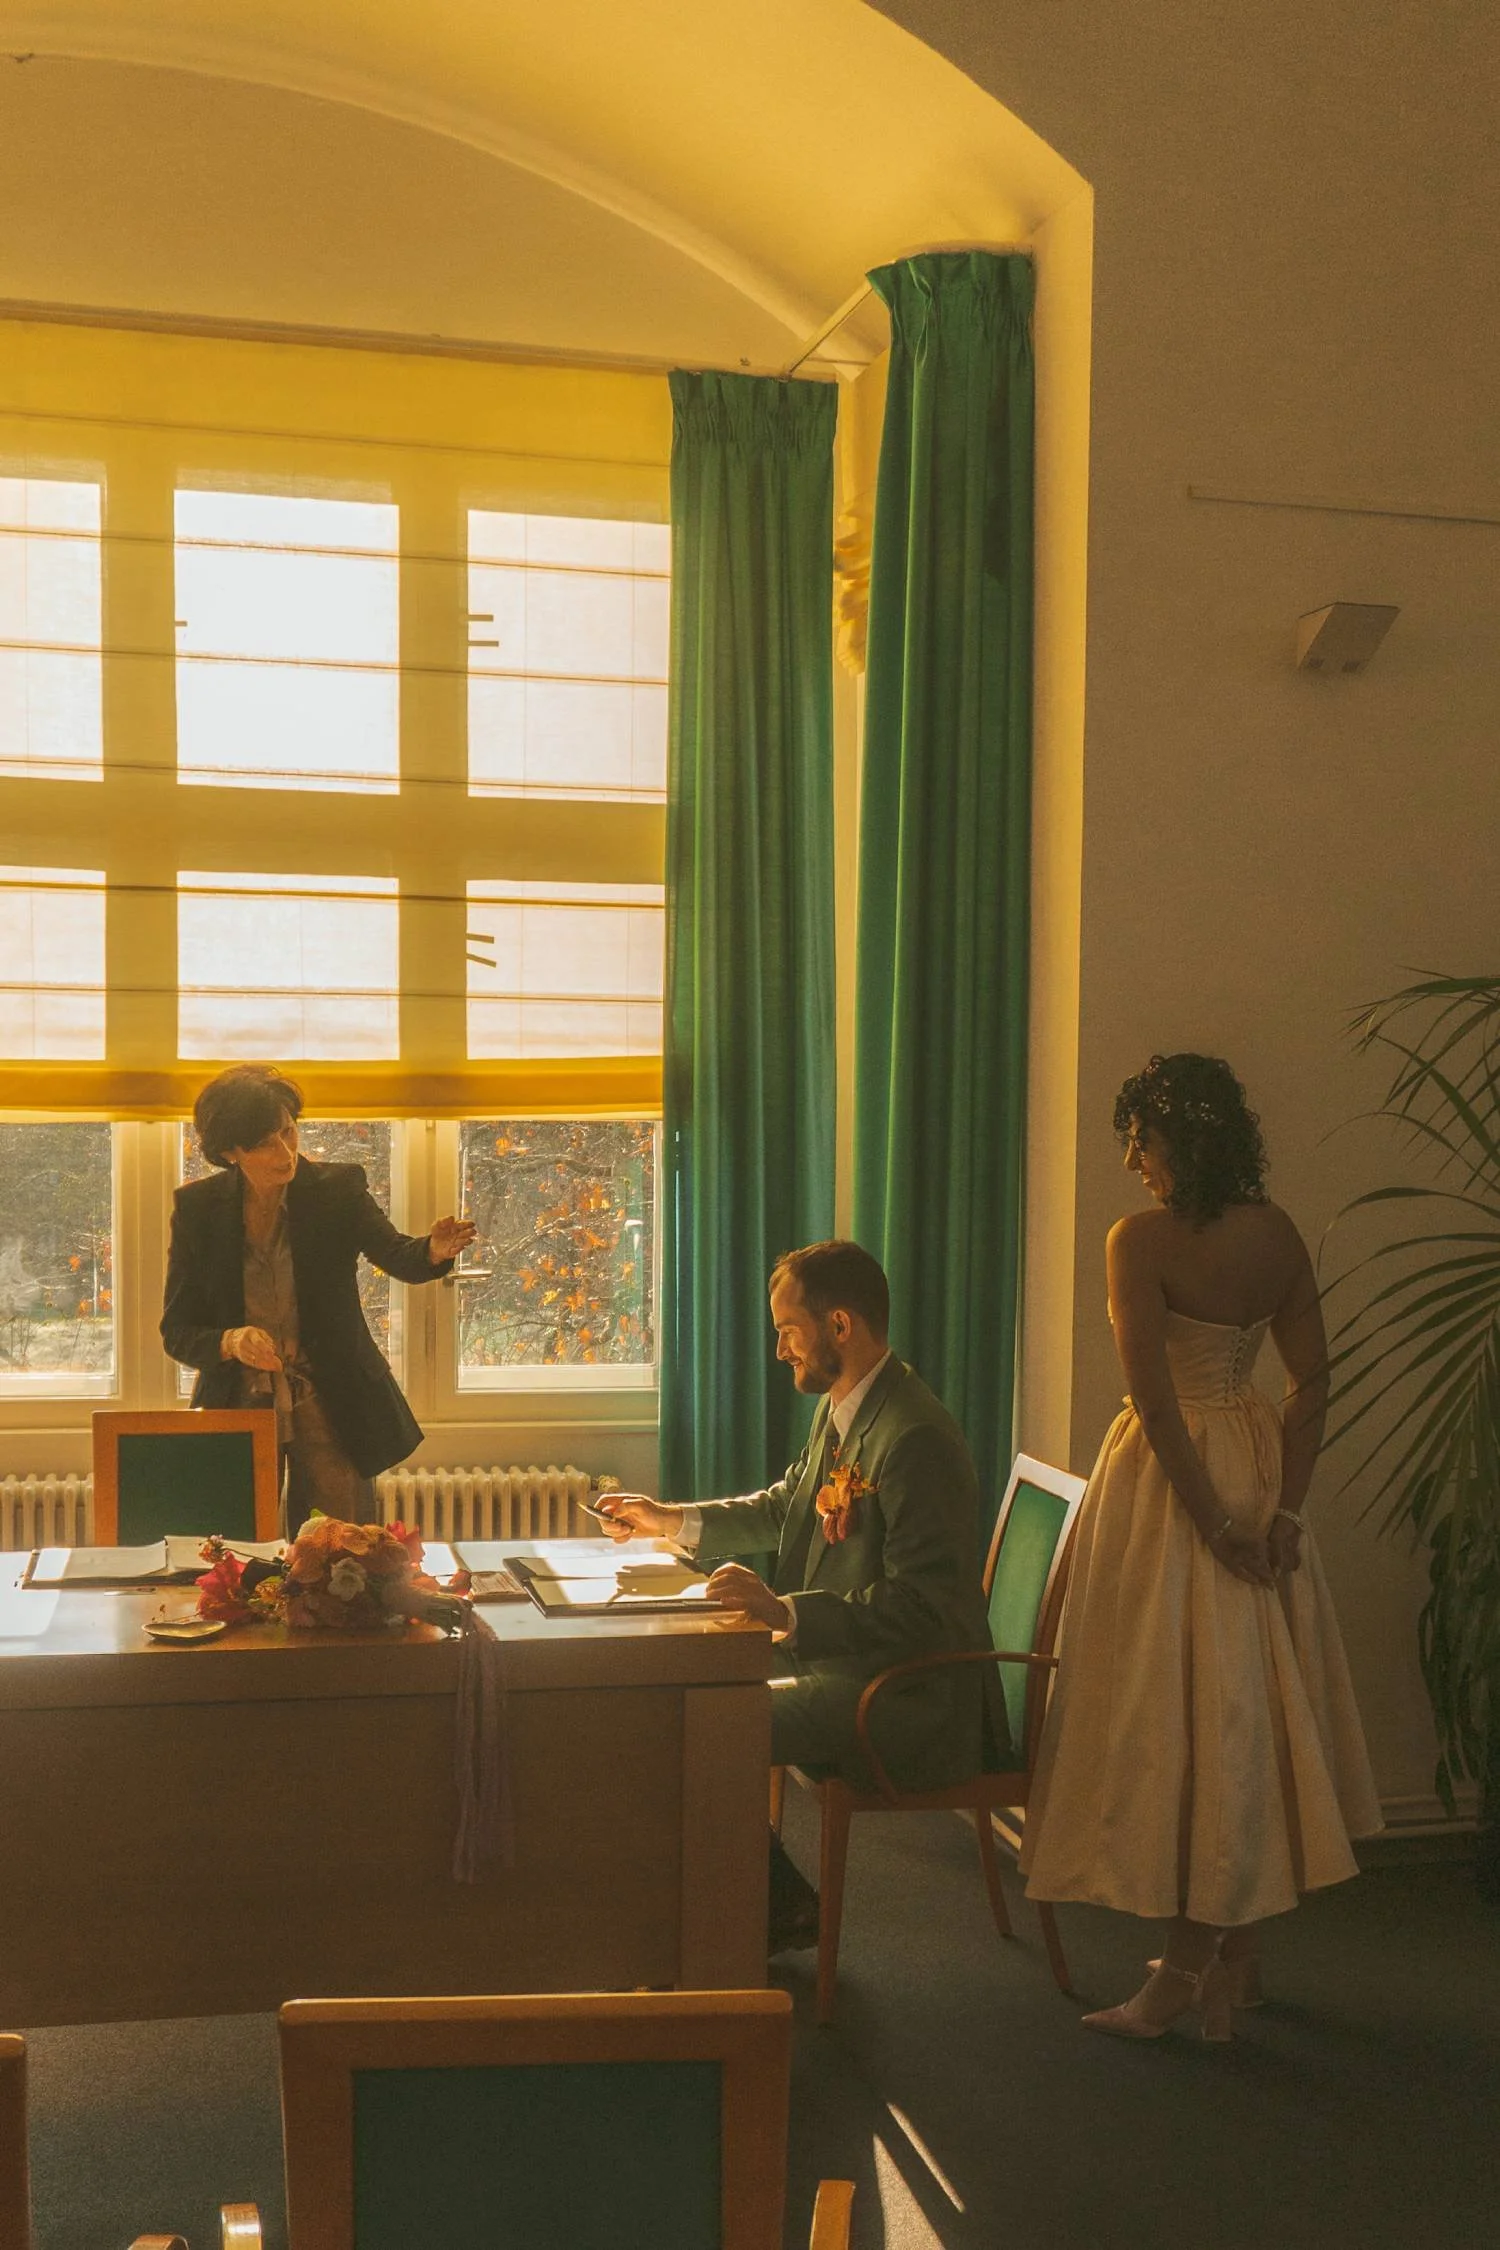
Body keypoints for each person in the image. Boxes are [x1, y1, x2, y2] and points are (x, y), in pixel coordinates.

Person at [1019, 1053, 1381, 2039]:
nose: (1133, 1156)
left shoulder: (1138, 1241)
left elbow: (1153, 1398)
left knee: (1186, 1719)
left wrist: (1222, 1525)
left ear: (1194, 1138)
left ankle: (1185, 1973)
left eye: (1146, 1136)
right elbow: (1311, 1382)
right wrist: (1283, 1512)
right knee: (1242, 1706)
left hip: (1172, 1478)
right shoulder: (1275, 1235)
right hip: (1252, 1457)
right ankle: (1240, 1956)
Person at [598, 1239, 1007, 1951]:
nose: (782, 1350)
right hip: (851, 1666)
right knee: (687, 1706)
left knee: (704, 1719)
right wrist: (670, 1519)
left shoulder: (915, 1439)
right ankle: (765, 1905)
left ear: (839, 1327)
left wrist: (785, 1613)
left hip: (908, 1694)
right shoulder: (850, 1409)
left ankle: (750, 1917)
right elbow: (791, 1503)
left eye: (790, 1330)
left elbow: (925, 1610)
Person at [161, 1064, 475, 1534]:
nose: (286, 1152)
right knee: (238, 1554)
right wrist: (231, 1341)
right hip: (238, 1405)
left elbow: (397, 1254)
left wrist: (433, 1251)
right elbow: (178, 1331)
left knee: (341, 1557)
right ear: (231, 1151)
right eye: (266, 1142)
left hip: (334, 1399)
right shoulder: (198, 1210)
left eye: (289, 1131)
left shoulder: (337, 1189)